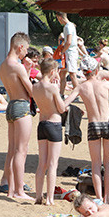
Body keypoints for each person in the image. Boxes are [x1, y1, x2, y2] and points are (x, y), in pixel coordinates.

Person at [65, 56, 109, 204]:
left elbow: (64, 105)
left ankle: (98, 197)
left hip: (93, 124)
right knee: (108, 163)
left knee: (96, 164)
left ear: (84, 72)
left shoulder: (81, 87)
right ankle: (107, 197)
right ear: (97, 69)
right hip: (108, 123)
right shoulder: (106, 85)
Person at [0, 32, 34, 199]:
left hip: (11, 105)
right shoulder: (17, 66)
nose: (26, 53)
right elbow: (32, 91)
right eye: (26, 49)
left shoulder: (4, 65)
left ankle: (11, 188)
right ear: (20, 47)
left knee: (12, 150)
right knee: (21, 151)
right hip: (21, 106)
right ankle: (20, 190)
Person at [31, 58, 68, 206]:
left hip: (42, 124)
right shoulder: (52, 88)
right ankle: (50, 199)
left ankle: (38, 196)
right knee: (53, 164)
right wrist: (58, 90)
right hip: (54, 124)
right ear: (53, 71)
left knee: (42, 164)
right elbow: (61, 108)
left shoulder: (35, 87)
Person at [56, 12, 80, 96]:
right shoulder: (70, 26)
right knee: (62, 73)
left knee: (72, 74)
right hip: (68, 51)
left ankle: (77, 94)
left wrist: (62, 51)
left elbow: (69, 42)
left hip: (70, 52)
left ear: (59, 17)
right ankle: (61, 93)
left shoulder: (68, 26)